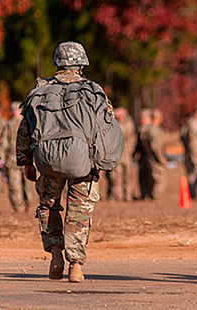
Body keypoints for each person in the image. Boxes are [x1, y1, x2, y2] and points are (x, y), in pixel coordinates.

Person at [16, 41, 117, 283]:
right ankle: (75, 265)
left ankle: (54, 255)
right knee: (79, 212)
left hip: (48, 162)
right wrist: (101, 161)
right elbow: (106, 128)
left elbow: (25, 130)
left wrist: (26, 161)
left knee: (48, 207)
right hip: (83, 163)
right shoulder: (93, 91)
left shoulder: (40, 91)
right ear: (82, 62)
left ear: (57, 62)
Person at [3, 102, 35, 212]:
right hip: (28, 158)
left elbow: (3, 144)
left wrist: (2, 158)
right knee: (28, 184)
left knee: (15, 185)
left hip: (13, 160)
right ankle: (29, 206)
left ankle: (19, 209)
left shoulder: (8, 125)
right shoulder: (29, 123)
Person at [135, 109, 167, 200]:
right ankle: (155, 195)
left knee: (148, 177)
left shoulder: (146, 129)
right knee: (159, 177)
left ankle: (147, 194)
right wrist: (161, 158)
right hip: (154, 157)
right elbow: (155, 147)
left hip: (147, 157)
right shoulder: (154, 130)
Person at [106, 107, 137, 201]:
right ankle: (117, 196)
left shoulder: (127, 124)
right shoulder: (113, 124)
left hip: (126, 155)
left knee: (127, 176)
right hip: (115, 155)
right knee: (115, 177)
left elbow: (125, 133)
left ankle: (127, 195)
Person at [181, 105, 197, 199]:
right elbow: (193, 142)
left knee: (194, 173)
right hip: (194, 155)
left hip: (191, 154)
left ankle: (193, 195)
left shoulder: (191, 123)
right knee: (195, 174)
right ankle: (193, 195)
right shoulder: (194, 125)